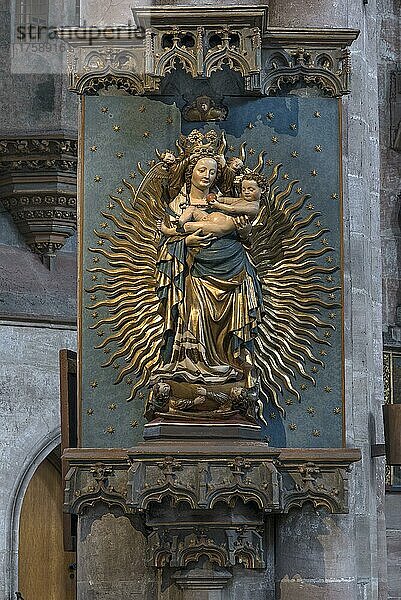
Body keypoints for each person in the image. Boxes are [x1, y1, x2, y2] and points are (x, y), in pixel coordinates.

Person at [154, 152, 263, 392]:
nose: (207, 176)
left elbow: (245, 239)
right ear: (190, 171)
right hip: (196, 274)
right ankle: (193, 367)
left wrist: (245, 234)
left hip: (233, 271)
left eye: (212, 172)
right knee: (194, 315)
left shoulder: (225, 202)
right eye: (202, 170)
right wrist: (186, 241)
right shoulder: (178, 206)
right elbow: (167, 242)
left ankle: (232, 364)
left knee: (230, 325)